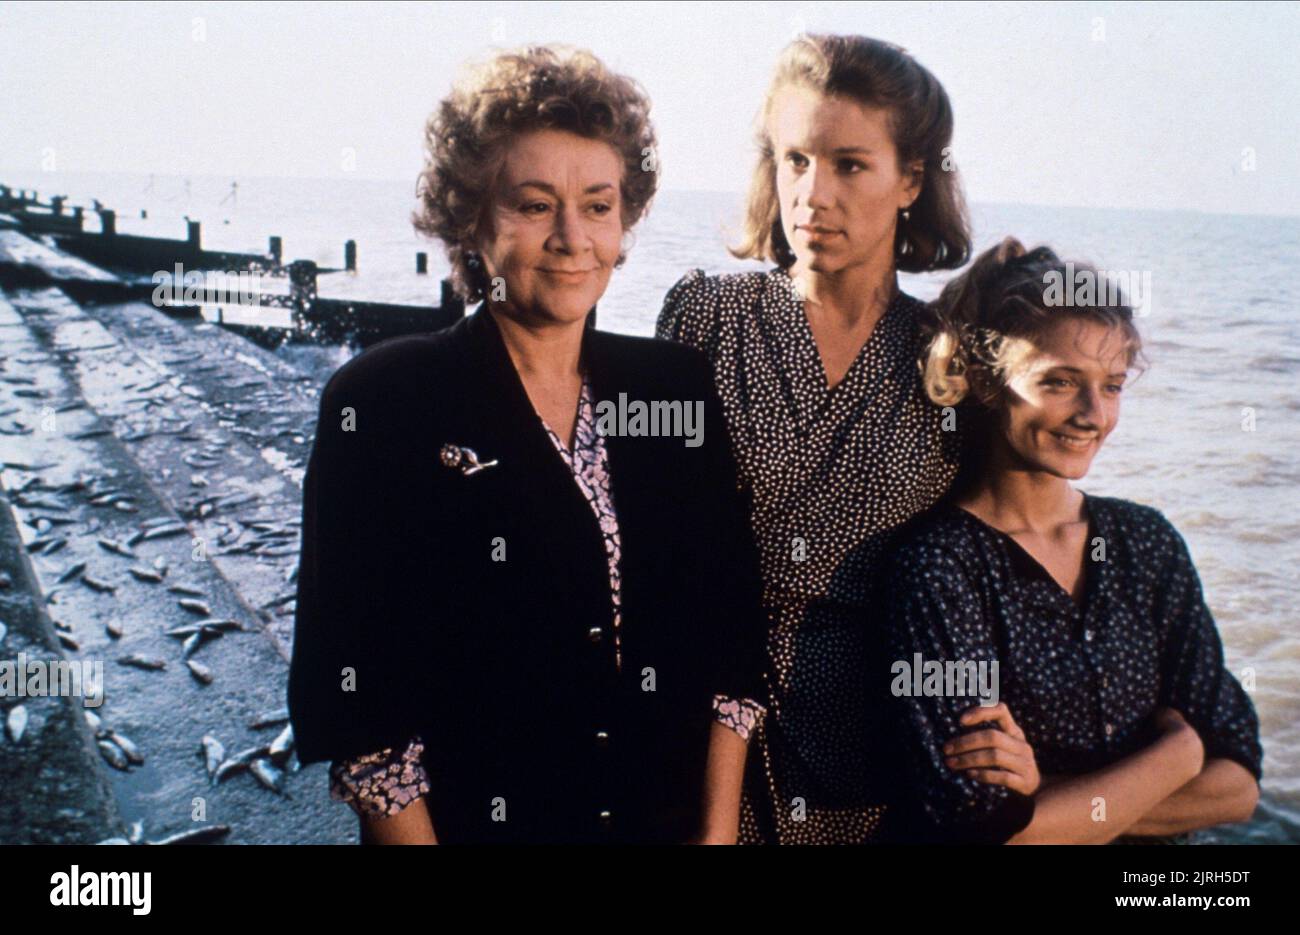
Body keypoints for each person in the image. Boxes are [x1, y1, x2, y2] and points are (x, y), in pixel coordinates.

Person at [288, 45, 767, 844]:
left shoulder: (674, 387)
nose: (571, 237)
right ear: (472, 216)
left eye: (599, 204)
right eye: (534, 204)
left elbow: (730, 641)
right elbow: (361, 702)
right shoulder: (385, 402)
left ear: (626, 220)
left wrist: (715, 838)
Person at [656, 34, 987, 843]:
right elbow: (644, 539)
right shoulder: (706, 318)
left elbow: (989, 555)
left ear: (911, 179)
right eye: (795, 160)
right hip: (691, 730)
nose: (814, 194)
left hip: (868, 765)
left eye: (849, 164)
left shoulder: (951, 358)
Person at [882, 237, 1262, 843]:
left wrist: (1048, 796)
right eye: (1060, 381)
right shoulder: (938, 567)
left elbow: (1239, 784)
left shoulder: (1148, 542)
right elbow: (987, 826)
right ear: (983, 380)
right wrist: (1179, 756)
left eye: (1111, 385)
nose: (1093, 414)